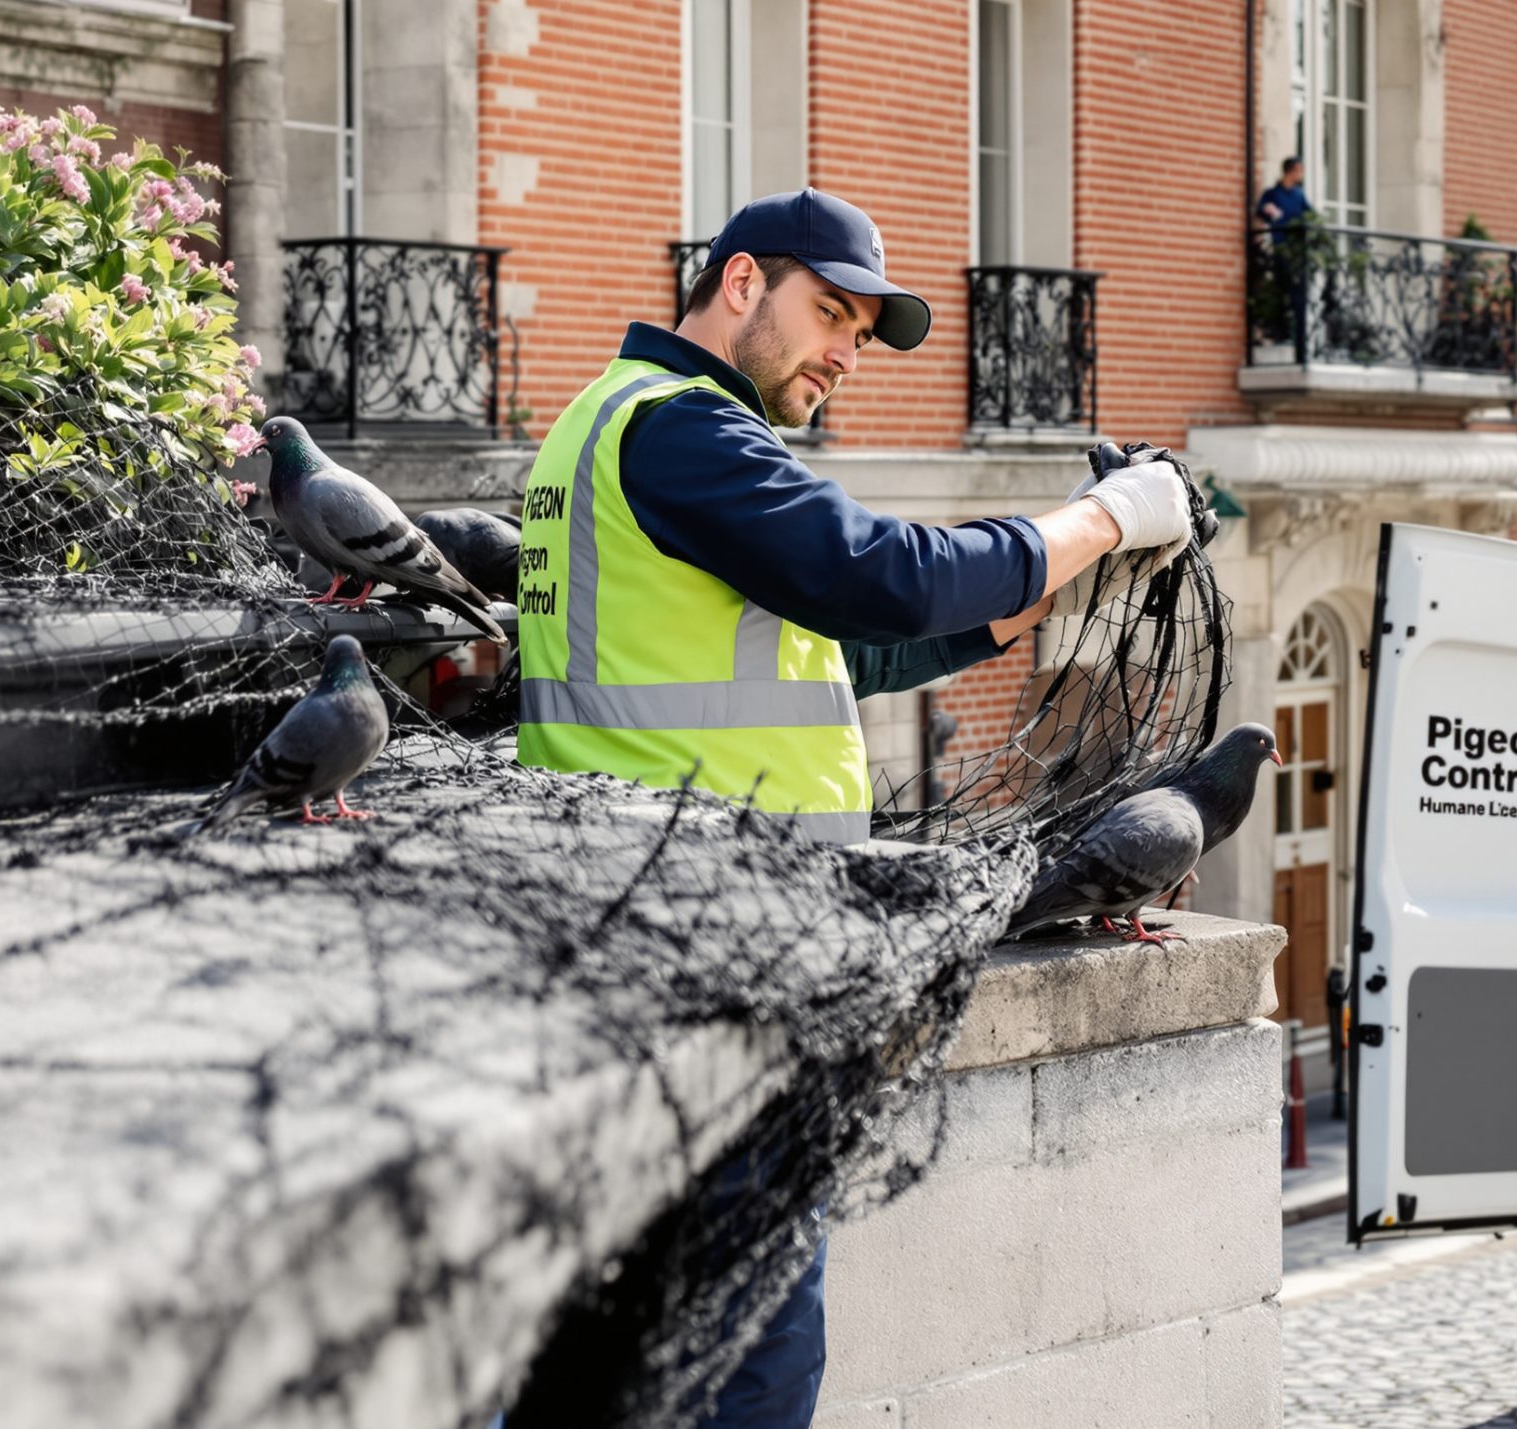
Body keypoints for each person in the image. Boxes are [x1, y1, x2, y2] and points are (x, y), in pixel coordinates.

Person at [510, 187, 1191, 1426]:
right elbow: (873, 574)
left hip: (649, 938)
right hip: (716, 950)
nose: (842, 353)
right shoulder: (682, 430)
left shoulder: (607, 422)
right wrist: (1102, 516)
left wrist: (1013, 607)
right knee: (756, 1356)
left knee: (637, 1340)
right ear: (737, 283)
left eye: (861, 335)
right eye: (828, 313)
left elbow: (837, 643)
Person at [1254, 155, 1310, 232]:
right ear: (1290, 172)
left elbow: (1310, 213)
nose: (1301, 174)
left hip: (1297, 240)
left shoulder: (1299, 195)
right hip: (1279, 240)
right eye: (1299, 171)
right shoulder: (1272, 193)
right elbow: (1259, 213)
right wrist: (1268, 210)